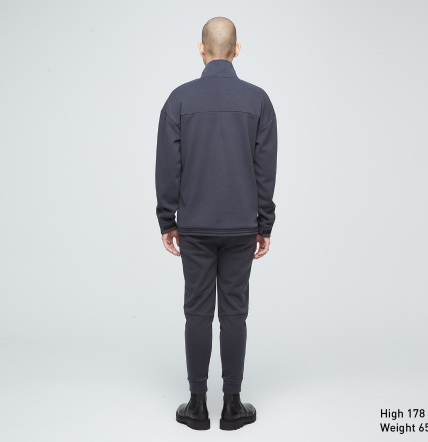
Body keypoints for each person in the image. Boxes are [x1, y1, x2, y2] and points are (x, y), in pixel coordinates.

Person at [155, 16, 278, 431]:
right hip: (242, 225)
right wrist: (265, 224)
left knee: (196, 311)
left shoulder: (179, 100)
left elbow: (167, 166)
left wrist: (167, 218)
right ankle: (232, 405)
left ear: (201, 49)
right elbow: (265, 170)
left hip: (194, 224)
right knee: (234, 313)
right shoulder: (258, 101)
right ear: (237, 50)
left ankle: (196, 406)